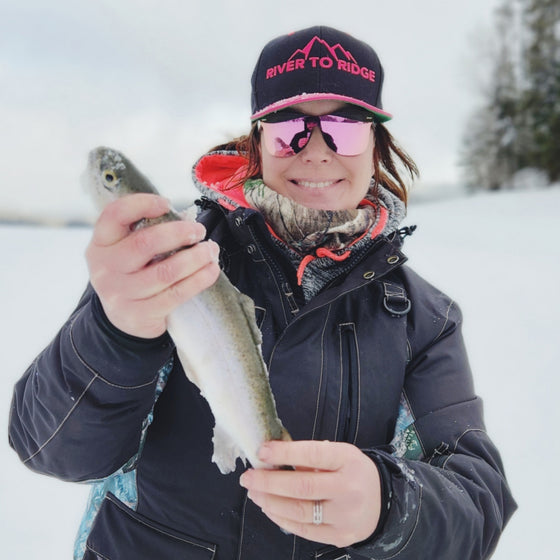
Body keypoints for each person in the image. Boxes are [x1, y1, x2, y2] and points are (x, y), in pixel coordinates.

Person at [9, 26, 516, 559]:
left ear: (375, 146)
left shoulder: (425, 320)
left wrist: (389, 507)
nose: (317, 152)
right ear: (257, 142)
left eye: (344, 129)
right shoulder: (168, 258)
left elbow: (476, 506)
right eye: (289, 130)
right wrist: (115, 334)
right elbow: (52, 450)